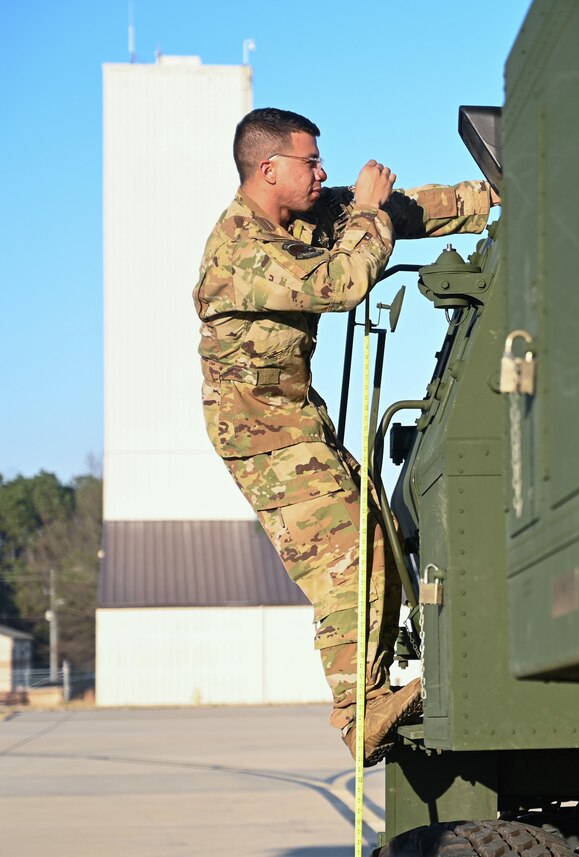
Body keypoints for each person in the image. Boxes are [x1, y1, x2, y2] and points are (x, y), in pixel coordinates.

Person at [192, 107, 497, 764]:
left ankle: (371, 695)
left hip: (296, 419)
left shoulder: (296, 217)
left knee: (378, 530)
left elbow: (401, 210)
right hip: (259, 435)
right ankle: (359, 710)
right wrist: (366, 211)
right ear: (268, 168)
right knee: (348, 552)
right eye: (310, 162)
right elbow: (344, 280)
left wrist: (493, 198)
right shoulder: (240, 252)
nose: (321, 172)